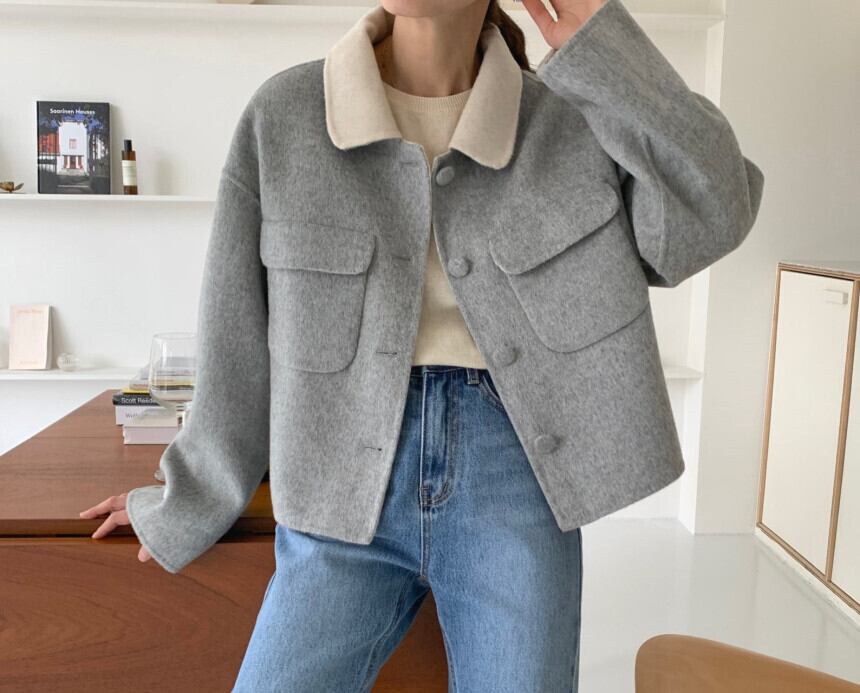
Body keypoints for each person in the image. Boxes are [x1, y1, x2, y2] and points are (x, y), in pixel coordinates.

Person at [79, 0, 765, 690]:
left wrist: (605, 50)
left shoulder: (571, 120)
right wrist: (186, 497)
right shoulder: (286, 115)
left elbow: (714, 214)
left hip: (517, 480)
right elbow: (236, 333)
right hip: (336, 480)